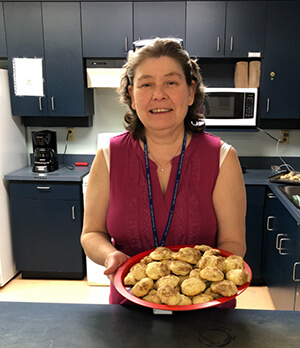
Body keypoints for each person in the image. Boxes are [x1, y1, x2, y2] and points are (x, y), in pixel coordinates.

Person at [81, 38, 247, 305]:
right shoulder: (108, 156)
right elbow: (91, 234)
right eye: (146, 84)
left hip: (205, 309)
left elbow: (233, 242)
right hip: (129, 304)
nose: (159, 94)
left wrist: (200, 279)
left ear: (191, 93)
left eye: (171, 82)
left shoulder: (222, 158)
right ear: (132, 96)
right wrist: (110, 256)